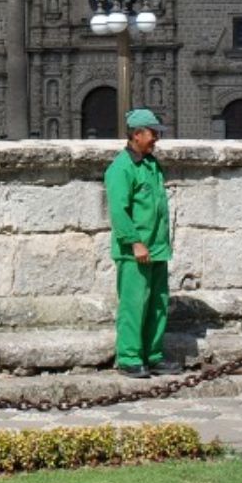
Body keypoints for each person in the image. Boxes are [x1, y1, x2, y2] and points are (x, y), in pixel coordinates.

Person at [105, 108, 172, 379]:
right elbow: (119, 211)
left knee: (158, 303)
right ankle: (129, 357)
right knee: (134, 304)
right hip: (136, 251)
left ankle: (153, 355)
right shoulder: (121, 168)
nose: (156, 138)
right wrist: (135, 242)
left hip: (157, 247)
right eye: (152, 133)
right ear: (136, 134)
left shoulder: (151, 164)